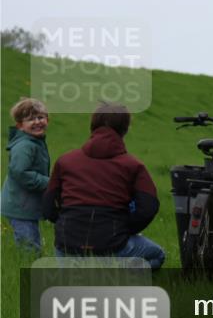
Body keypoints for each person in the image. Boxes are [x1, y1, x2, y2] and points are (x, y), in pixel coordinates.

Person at [41, 102, 164, 269]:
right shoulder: (133, 165)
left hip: (67, 247)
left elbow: (48, 206)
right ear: (125, 128)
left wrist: (65, 221)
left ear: (93, 125)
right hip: (113, 245)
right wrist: (126, 229)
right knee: (157, 255)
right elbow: (149, 206)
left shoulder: (65, 161)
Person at [1, 98, 50, 253]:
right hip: (20, 206)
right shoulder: (25, 146)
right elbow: (20, 172)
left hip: (26, 205)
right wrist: (47, 182)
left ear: (47, 119)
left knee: (33, 244)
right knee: (28, 248)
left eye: (40, 117)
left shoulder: (35, 142)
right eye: (30, 119)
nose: (37, 122)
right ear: (20, 125)